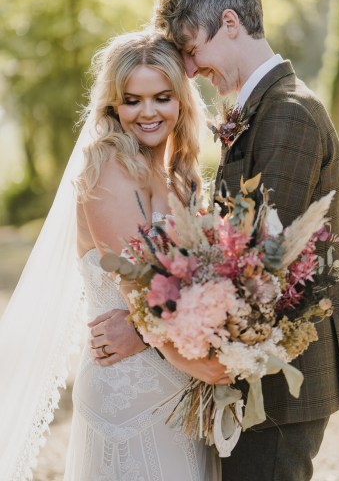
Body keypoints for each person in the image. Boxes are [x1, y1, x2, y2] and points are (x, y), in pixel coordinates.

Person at [97, 0, 339, 480]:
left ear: (231, 23)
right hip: (254, 368)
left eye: (192, 49)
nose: (190, 70)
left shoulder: (287, 113)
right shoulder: (262, 109)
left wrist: (143, 330)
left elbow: (255, 270)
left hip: (282, 384)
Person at [0, 30, 222, 480]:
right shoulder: (106, 170)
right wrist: (212, 364)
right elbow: (143, 293)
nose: (147, 112)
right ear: (113, 107)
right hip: (129, 390)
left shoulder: (181, 174)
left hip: (182, 384)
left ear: (181, 100)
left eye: (161, 97)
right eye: (132, 100)